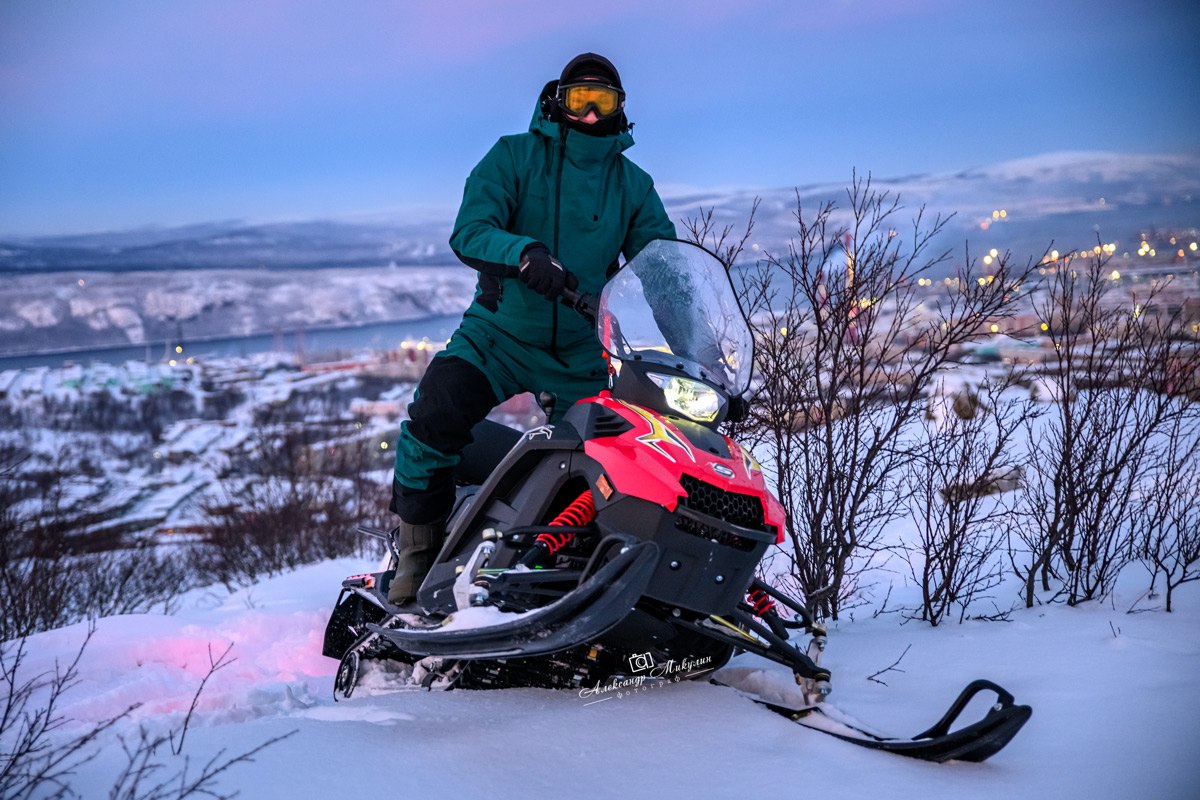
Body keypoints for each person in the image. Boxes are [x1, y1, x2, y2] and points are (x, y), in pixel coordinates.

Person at [386, 52, 677, 606]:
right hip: (499, 333)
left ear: (620, 109)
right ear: (556, 101)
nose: (590, 115)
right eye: (579, 100)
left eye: (603, 102)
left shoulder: (632, 185)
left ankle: (572, 567)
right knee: (436, 412)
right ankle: (418, 553)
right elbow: (471, 230)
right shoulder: (513, 156)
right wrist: (524, 253)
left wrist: (699, 349)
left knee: (608, 460)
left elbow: (664, 272)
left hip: (583, 348)